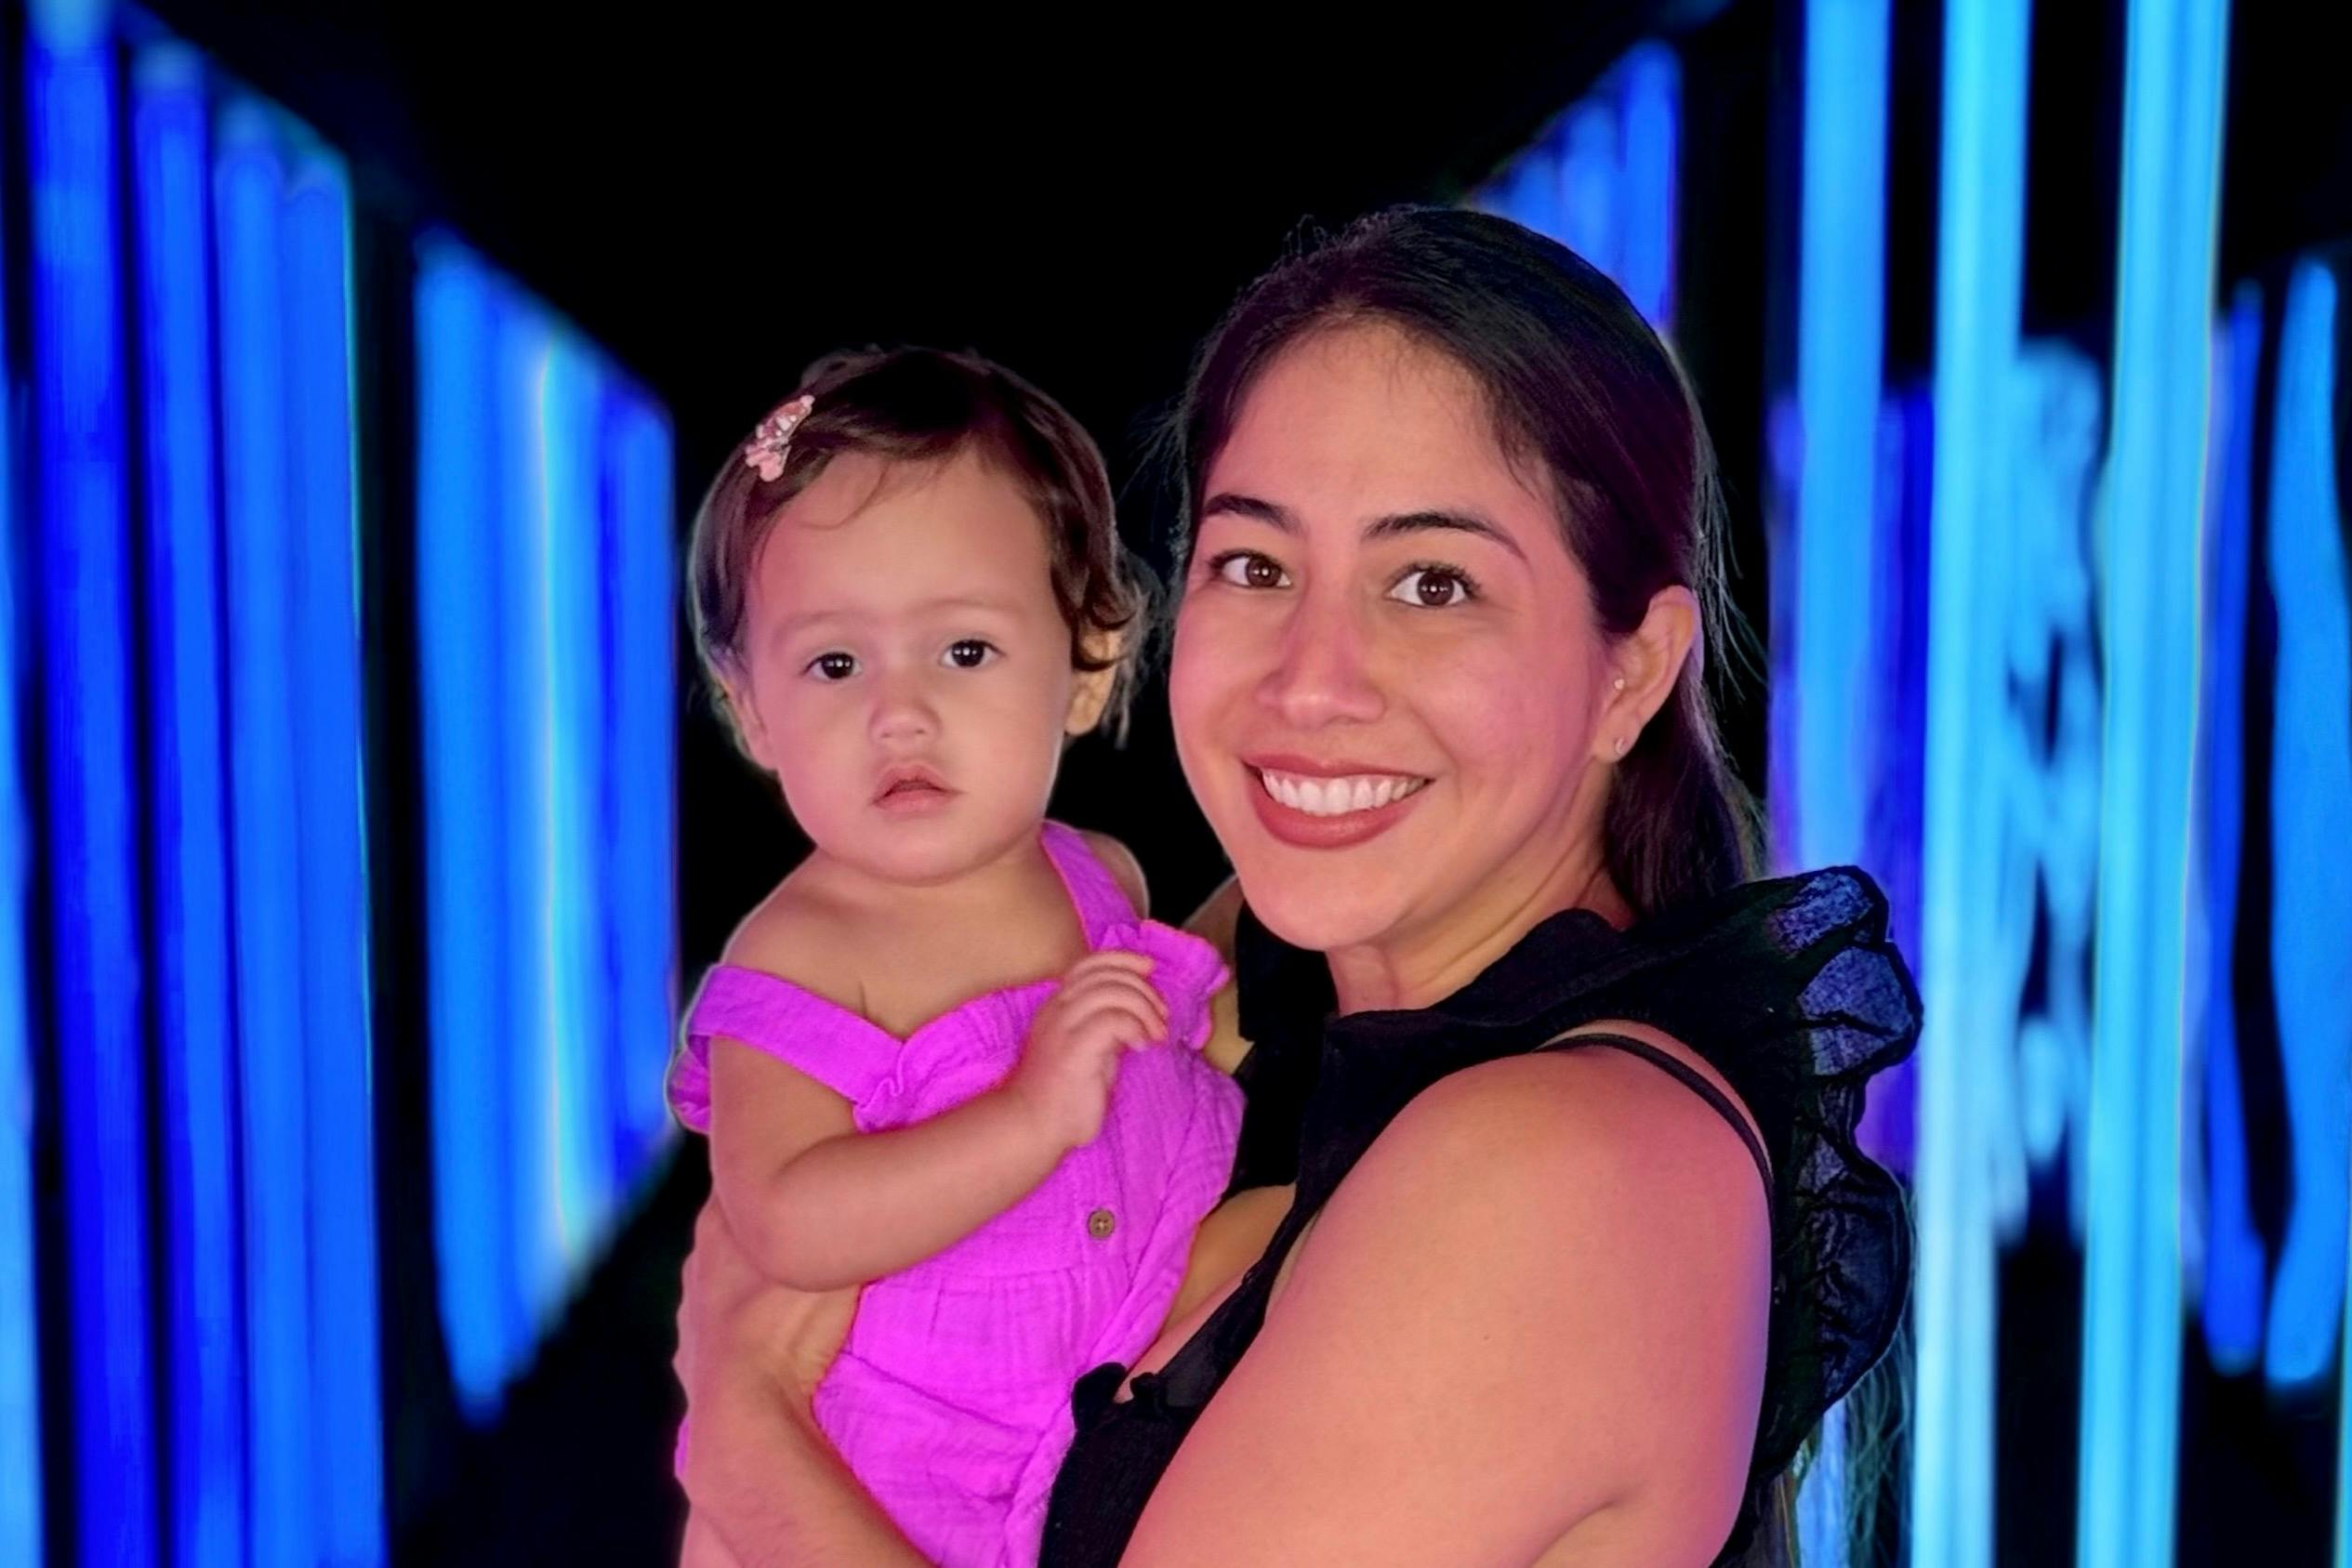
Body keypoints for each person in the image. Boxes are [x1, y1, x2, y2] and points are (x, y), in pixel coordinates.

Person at [675, 209, 1917, 1567]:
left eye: (1431, 583)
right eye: (1257, 566)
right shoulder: (1239, 968)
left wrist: (744, 1428)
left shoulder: (1557, 1174)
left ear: (1632, 670)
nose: (1311, 682)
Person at [668, 348, 1243, 1567]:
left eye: (964, 651)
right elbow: (786, 1220)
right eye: (835, 664)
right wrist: (1026, 1115)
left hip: (1090, 1430)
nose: (900, 714)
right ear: (750, 707)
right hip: (879, 1488)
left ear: (1087, 663)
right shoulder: (801, 959)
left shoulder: (1097, 880)